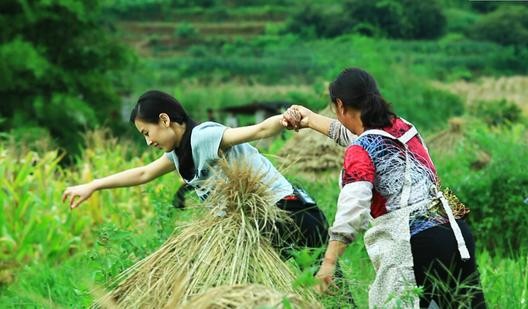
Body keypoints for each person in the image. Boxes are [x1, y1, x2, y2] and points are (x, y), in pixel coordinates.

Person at [282, 68, 486, 308]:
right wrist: (309, 119)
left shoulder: (361, 151)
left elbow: (353, 208)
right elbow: (358, 136)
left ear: (340, 105)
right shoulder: (402, 127)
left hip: (416, 244)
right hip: (455, 232)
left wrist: (328, 263)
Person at [62, 90, 328, 261]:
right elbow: (143, 173)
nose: (148, 142)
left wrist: (286, 118)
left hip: (288, 213)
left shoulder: (204, 136)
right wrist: (93, 185)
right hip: (263, 224)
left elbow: (256, 130)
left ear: (164, 120)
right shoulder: (178, 153)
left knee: (323, 288)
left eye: (147, 133)